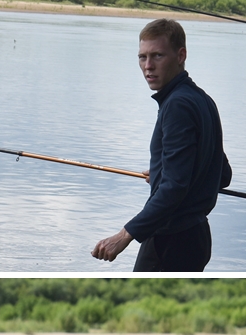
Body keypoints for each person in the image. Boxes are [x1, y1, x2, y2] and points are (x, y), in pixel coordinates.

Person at [91, 18, 232, 272]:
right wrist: (164, 172)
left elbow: (175, 188)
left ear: (181, 55)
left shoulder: (177, 105)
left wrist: (124, 235)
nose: (148, 66)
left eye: (157, 55)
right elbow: (222, 175)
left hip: (171, 240)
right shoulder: (203, 100)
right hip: (196, 238)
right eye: (142, 57)